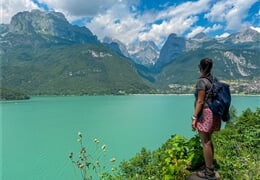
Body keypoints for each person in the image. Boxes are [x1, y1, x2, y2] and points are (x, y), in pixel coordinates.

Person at [192, 58, 221, 180]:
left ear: (200, 67)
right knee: (209, 140)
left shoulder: (201, 81)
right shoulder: (214, 80)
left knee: (205, 142)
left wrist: (194, 117)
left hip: (205, 114)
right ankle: (210, 165)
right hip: (215, 113)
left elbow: (200, 101)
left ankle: (209, 172)